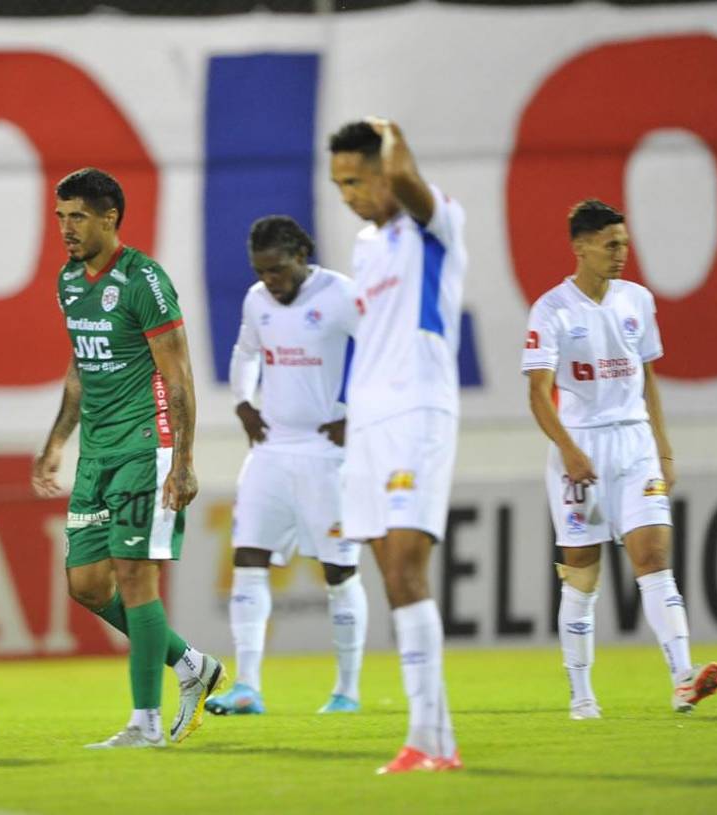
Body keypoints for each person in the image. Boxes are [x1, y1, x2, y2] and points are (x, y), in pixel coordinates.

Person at [32, 168, 225, 749]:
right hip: (98, 452)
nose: (65, 229)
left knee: (137, 578)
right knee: (87, 584)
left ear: (110, 218)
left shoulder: (145, 280)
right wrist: (57, 441)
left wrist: (184, 460)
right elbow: (80, 369)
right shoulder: (69, 281)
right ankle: (190, 663)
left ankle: (144, 723)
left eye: (78, 217)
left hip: (148, 445)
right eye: (60, 217)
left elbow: (179, 375)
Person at [521, 199, 717, 720]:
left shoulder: (637, 300)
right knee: (582, 578)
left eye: (625, 244)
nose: (621, 254)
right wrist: (569, 450)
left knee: (654, 559)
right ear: (580, 247)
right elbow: (539, 393)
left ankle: (682, 677)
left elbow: (648, 378)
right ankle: (582, 696)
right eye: (611, 245)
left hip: (635, 447)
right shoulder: (552, 310)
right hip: (582, 450)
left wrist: (664, 449)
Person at [328, 118, 465, 774]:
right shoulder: (364, 245)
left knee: (409, 568)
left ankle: (425, 736)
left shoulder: (436, 223)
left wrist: (394, 133)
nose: (348, 194)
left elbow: (410, 180)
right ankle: (437, 741)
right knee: (392, 578)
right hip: (370, 421)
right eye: (338, 184)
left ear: (384, 171)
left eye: (356, 180)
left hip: (418, 411)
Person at [204, 215, 367, 717]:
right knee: (248, 560)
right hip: (271, 451)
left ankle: (346, 691)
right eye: (261, 271)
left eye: (277, 270)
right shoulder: (258, 300)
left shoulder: (342, 295)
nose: (269, 281)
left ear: (301, 254)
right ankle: (248, 687)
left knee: (339, 571)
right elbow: (245, 351)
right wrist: (242, 403)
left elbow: (385, 354)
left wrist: (356, 418)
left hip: (326, 457)